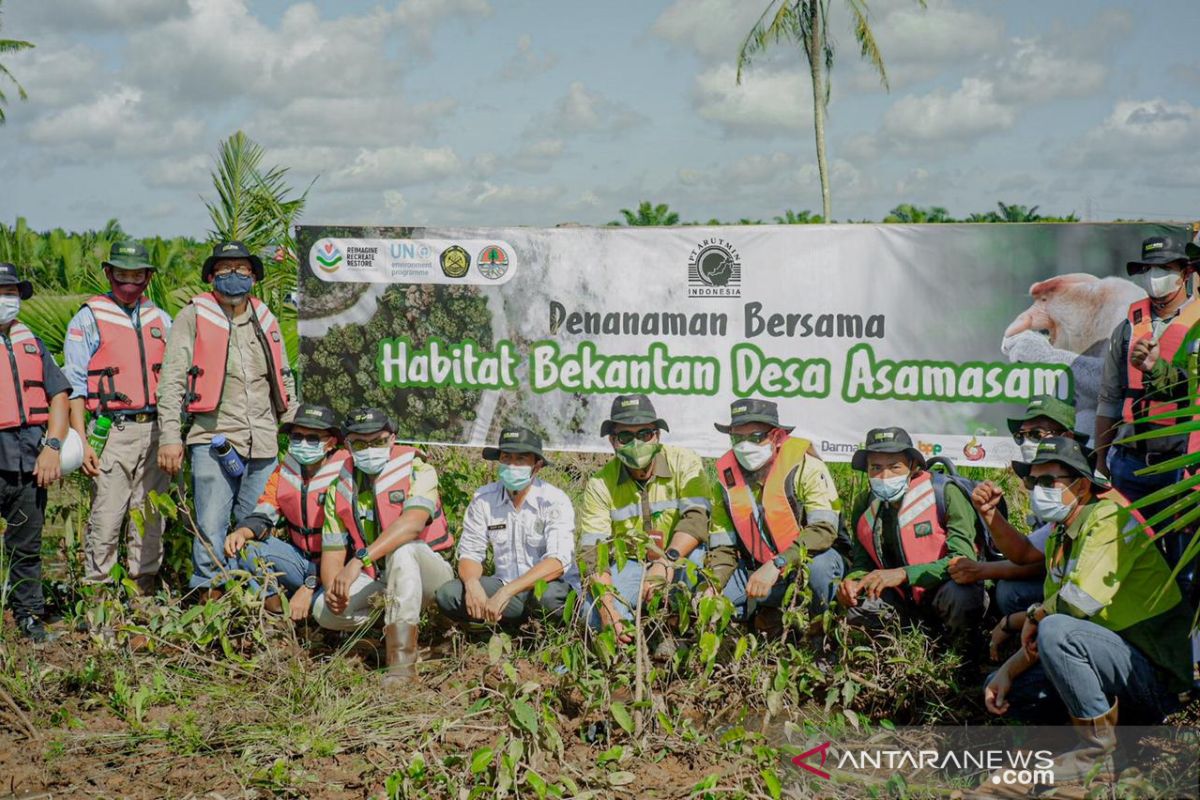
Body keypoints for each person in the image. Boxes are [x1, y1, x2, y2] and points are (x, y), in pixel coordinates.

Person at [977, 437, 1193, 792]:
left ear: (1079, 485)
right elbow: (1047, 620)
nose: (1037, 490)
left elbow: (1077, 605)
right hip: (1113, 664)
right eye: (1033, 482)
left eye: (1049, 482)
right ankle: (1092, 740)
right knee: (1007, 688)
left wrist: (1031, 616)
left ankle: (1099, 754)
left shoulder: (1108, 519)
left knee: (1057, 630)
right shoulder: (1062, 535)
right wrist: (1006, 670)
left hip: (1155, 678)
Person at [156, 241, 295, 600]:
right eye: (226, 270)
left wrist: (296, 433)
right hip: (213, 437)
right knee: (211, 526)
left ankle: (255, 601)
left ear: (253, 276)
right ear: (211, 276)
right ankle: (210, 601)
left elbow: (283, 376)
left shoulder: (265, 317)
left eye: (243, 270)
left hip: (263, 440)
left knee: (256, 525)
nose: (235, 276)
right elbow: (172, 379)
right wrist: (170, 436)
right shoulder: (195, 316)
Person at [311, 407, 454, 684]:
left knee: (403, 549)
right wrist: (334, 591)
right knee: (323, 611)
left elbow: (412, 524)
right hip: (384, 582)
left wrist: (360, 560)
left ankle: (402, 667)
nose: (369, 448)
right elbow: (332, 554)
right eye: (360, 443)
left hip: (430, 580)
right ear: (348, 445)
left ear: (392, 439)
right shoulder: (339, 488)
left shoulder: (418, 470)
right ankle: (387, 635)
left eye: (377, 441)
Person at [61, 241, 171, 594]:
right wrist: (82, 440)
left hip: (154, 428)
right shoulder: (89, 317)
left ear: (147, 277)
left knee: (151, 515)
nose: (129, 281)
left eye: (136, 274)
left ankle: (144, 595)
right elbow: (75, 385)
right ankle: (99, 601)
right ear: (109, 273)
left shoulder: (160, 318)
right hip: (111, 430)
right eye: (122, 274)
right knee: (107, 515)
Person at [1094, 235, 1198, 568]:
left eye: (1164, 268)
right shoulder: (1126, 329)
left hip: (1182, 464)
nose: (1155, 276)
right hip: (1129, 464)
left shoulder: (1197, 326)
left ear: (1184, 272)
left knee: (1183, 566)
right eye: (1148, 269)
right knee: (1126, 562)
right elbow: (1109, 399)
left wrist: (1156, 368)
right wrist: (1100, 462)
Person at [577, 395, 711, 646]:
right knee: (593, 613)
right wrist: (609, 612)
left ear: (657, 436)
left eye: (645, 434)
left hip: (677, 555)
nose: (636, 443)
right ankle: (630, 649)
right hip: (629, 562)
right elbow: (594, 553)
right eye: (626, 437)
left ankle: (680, 633)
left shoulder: (685, 462)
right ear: (613, 442)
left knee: (697, 563)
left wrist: (665, 562)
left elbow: (696, 519)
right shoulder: (599, 483)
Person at [949, 396, 1083, 644]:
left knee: (1014, 595)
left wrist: (983, 572)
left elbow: (1043, 563)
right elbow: (1030, 553)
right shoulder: (1048, 483)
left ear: (1068, 437)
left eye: (1036, 434)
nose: (1026, 443)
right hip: (1068, 585)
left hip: (1096, 603)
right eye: (1021, 436)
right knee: (1010, 592)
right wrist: (989, 512)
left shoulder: (1078, 488)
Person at [702, 399, 844, 630]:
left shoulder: (807, 467)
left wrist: (777, 564)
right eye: (738, 438)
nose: (745, 446)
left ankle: (822, 634)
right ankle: (751, 625)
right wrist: (713, 584)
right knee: (713, 595)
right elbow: (722, 547)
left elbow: (824, 530)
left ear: (777, 437)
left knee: (821, 566)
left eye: (756, 437)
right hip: (758, 571)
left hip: (803, 565)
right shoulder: (726, 482)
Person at [835, 427, 985, 643]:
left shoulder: (945, 493)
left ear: (913, 466)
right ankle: (893, 652)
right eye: (875, 468)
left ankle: (961, 657)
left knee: (961, 594)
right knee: (858, 605)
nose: (884, 476)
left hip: (942, 589)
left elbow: (963, 560)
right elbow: (862, 562)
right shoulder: (864, 503)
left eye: (894, 467)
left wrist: (904, 574)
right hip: (897, 597)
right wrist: (852, 582)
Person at [435, 426, 579, 628]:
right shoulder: (484, 499)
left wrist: (507, 591)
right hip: (504, 586)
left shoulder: (553, 500)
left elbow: (558, 562)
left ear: (536, 466)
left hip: (544, 588)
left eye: (520, 459)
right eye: (506, 458)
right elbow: (470, 554)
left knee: (546, 597)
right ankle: (506, 624)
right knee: (448, 595)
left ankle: (544, 632)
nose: (511, 465)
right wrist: (472, 584)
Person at [223, 404, 347, 621]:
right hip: (300, 561)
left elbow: (354, 545)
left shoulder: (347, 472)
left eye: (312, 439)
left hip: (338, 567)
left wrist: (311, 584)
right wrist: (241, 532)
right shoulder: (283, 472)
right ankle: (276, 614)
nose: (303, 444)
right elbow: (264, 512)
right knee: (245, 549)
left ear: (330, 443)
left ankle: (312, 608)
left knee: (324, 612)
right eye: (297, 437)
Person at [0, 263, 70, 642]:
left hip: (30, 459)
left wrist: (53, 446)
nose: (5, 300)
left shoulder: (33, 342)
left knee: (26, 547)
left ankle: (29, 617)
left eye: (10, 293)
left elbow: (58, 394)